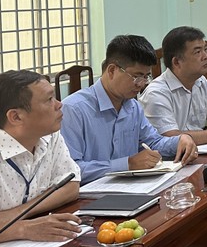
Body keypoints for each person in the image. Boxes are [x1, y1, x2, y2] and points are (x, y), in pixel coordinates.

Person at [0, 70, 81, 247]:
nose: (59, 105)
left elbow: (71, 184)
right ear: (16, 117)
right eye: (49, 99)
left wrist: (18, 213)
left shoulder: (50, 137)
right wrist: (23, 229)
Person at [61, 35, 198, 183]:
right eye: (136, 76)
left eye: (146, 77)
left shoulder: (133, 107)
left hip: (131, 190)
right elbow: (70, 170)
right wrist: (127, 164)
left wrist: (180, 140)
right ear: (112, 70)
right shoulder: (74, 109)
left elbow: (153, 142)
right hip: (88, 197)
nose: (142, 84)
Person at [139, 26, 207, 145]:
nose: (205, 56)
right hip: (172, 160)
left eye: (205, 49)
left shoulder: (201, 82)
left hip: (199, 153)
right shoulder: (157, 93)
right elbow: (171, 137)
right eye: (197, 52)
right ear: (176, 62)